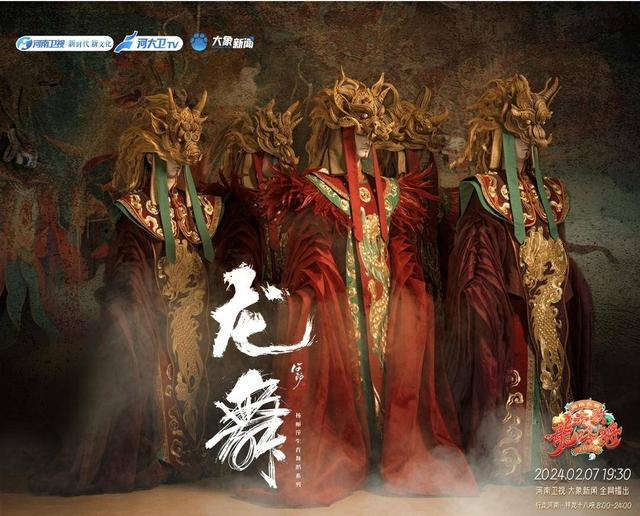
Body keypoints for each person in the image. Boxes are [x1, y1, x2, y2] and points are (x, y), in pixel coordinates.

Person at [446, 74, 592, 484]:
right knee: (513, 374)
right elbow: (477, 255)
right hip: (510, 303)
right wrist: (488, 298)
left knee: (554, 373)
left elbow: (559, 246)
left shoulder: (550, 192)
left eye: (532, 139)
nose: (528, 146)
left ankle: (551, 454)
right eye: (520, 137)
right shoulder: (485, 191)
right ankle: (510, 462)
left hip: (551, 304)